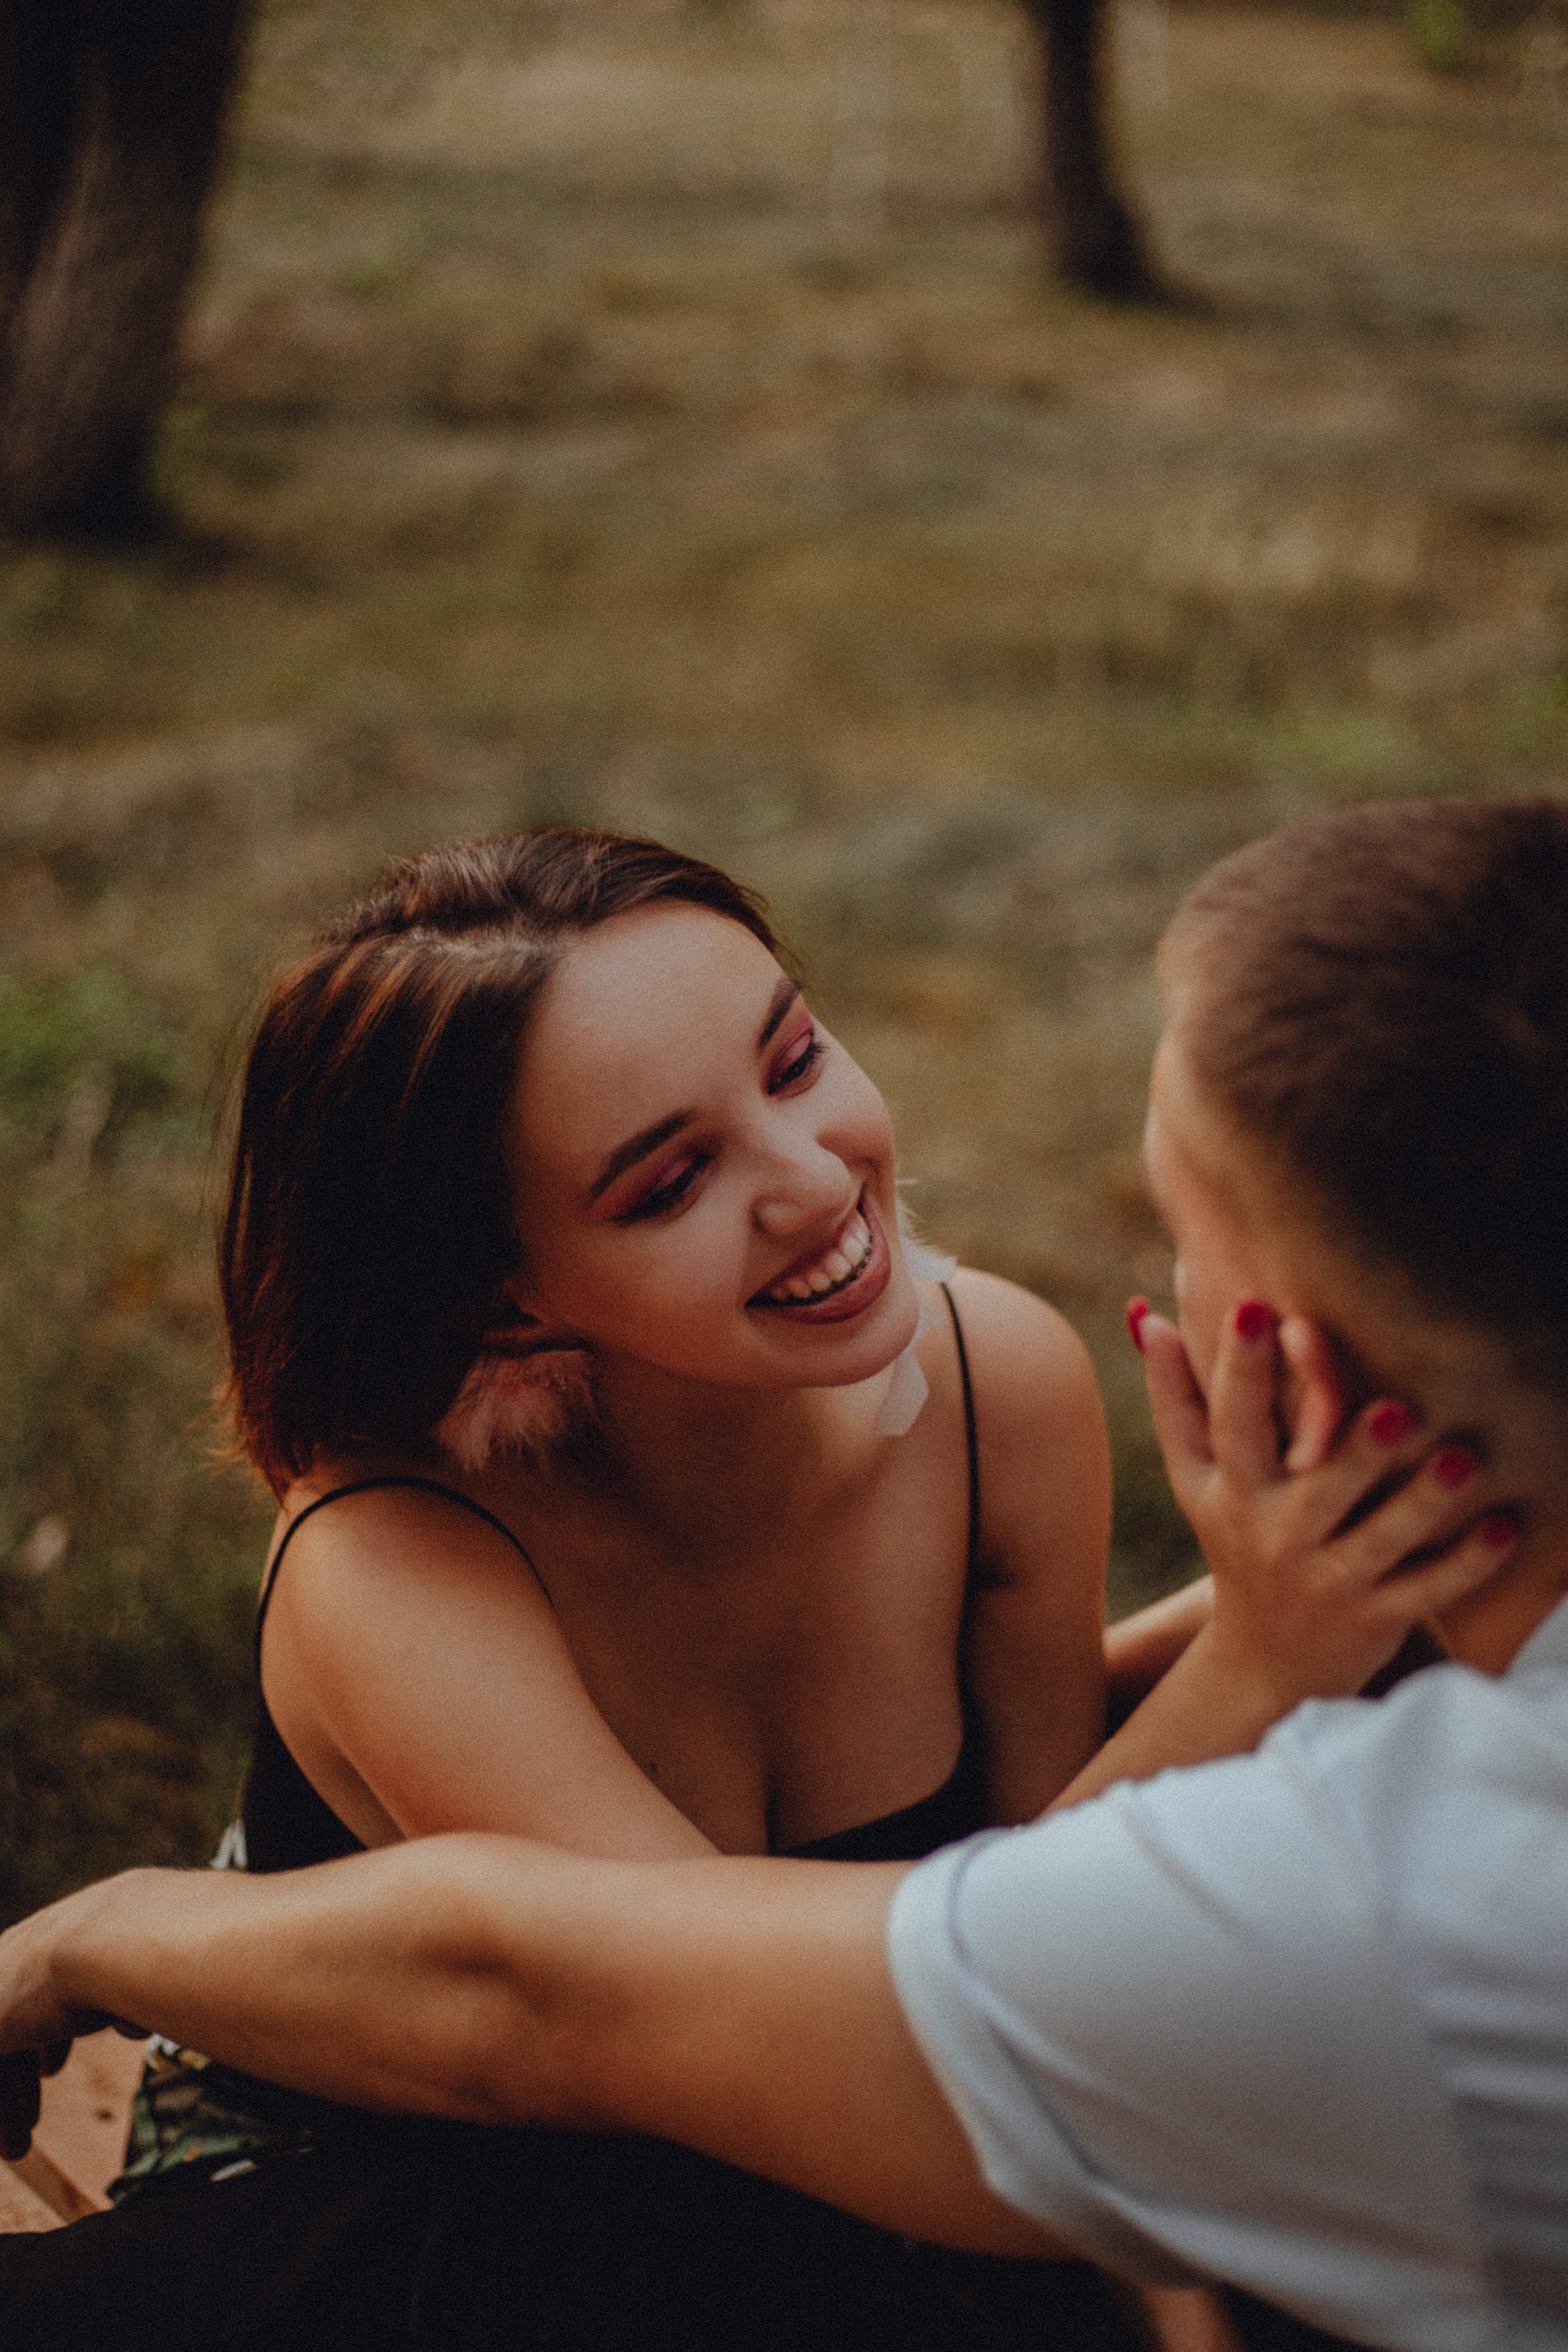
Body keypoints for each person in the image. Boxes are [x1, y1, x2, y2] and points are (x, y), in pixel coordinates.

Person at [5, 794, 1556, 2349]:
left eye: (793, 1059)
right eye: (664, 1182)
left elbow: (1046, 1857)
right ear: (501, 1295)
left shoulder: (994, 1380)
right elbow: (675, 2041)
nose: (813, 1181)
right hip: (480, 2189)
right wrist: (1263, 1654)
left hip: (879, 2142)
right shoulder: (397, 1562)